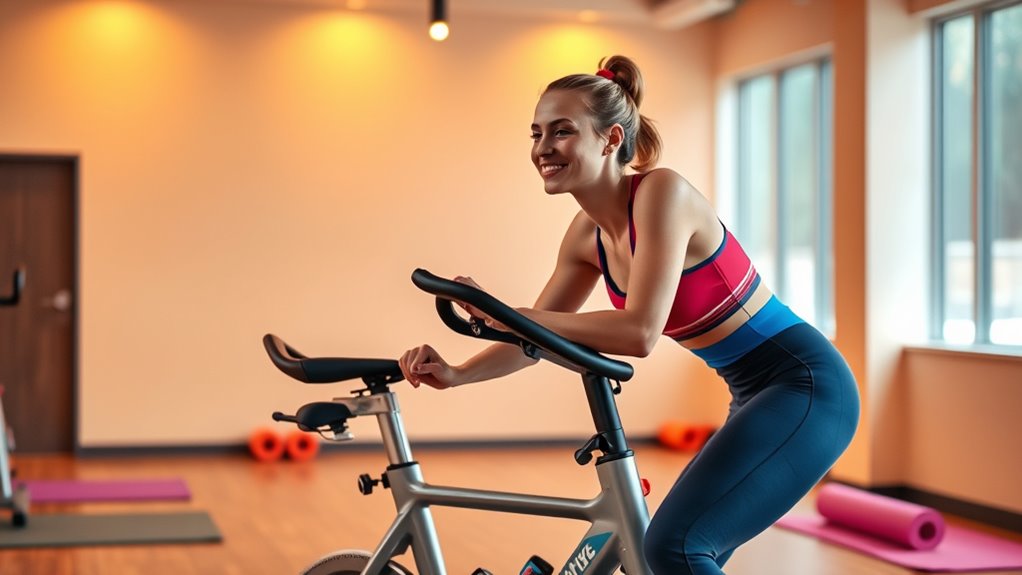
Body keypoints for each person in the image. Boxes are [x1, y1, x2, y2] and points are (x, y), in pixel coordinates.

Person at [398, 55, 860, 575]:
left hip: (807, 385)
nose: (543, 148)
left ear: (612, 139)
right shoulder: (585, 236)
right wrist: (457, 373)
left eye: (562, 131)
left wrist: (512, 314)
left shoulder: (662, 193)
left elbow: (640, 332)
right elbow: (530, 344)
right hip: (751, 390)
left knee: (673, 548)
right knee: (672, 554)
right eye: (536, 133)